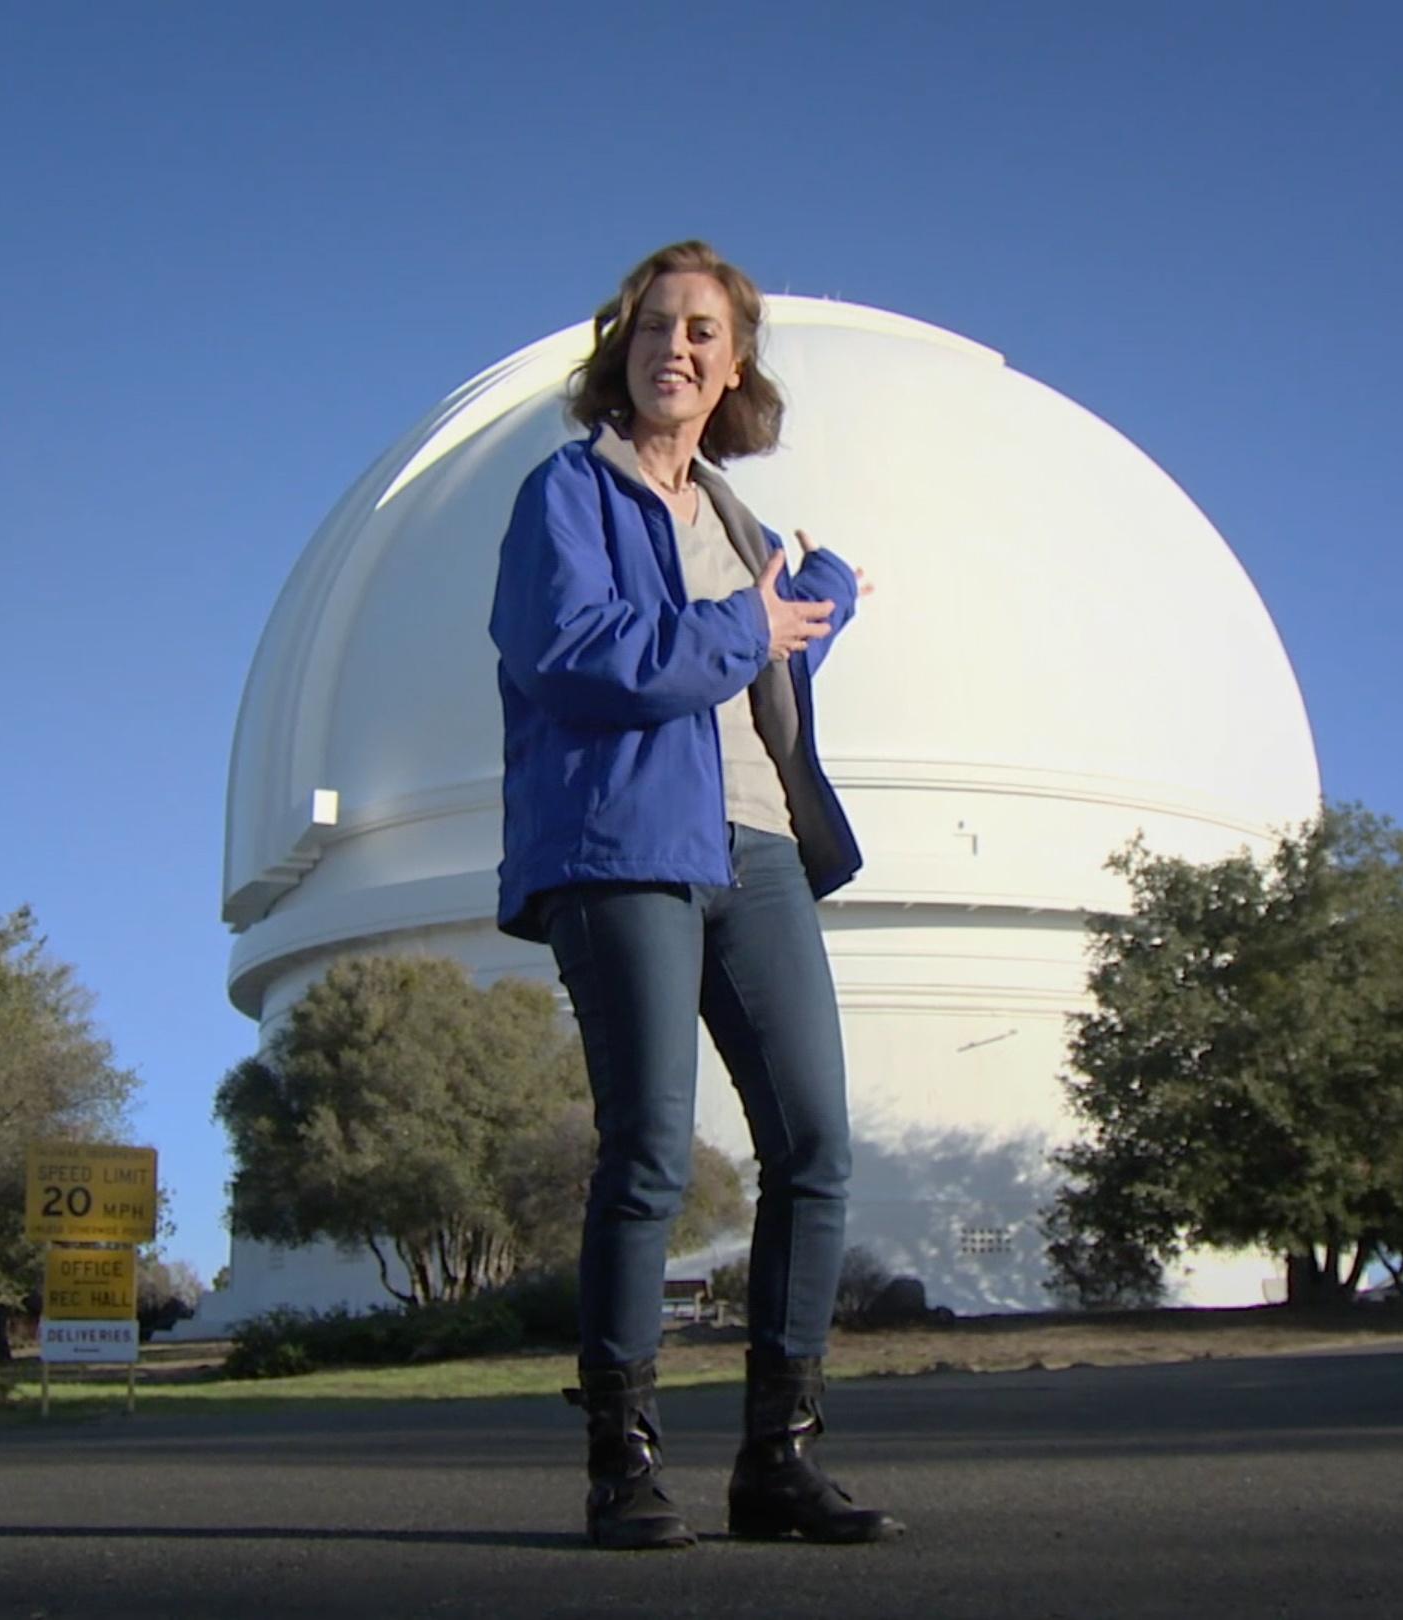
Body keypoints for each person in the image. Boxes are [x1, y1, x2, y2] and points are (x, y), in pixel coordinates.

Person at [487, 241, 902, 1550]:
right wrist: (748, 632)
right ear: (623, 348)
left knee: (815, 1147)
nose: (678, 347)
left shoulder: (743, 527)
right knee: (653, 1152)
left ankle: (778, 1459)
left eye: (705, 332)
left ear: (735, 367)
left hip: (760, 847)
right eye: (657, 325)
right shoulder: (567, 495)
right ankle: (625, 1461)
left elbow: (762, 670)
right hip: (624, 851)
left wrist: (817, 604)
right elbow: (580, 655)